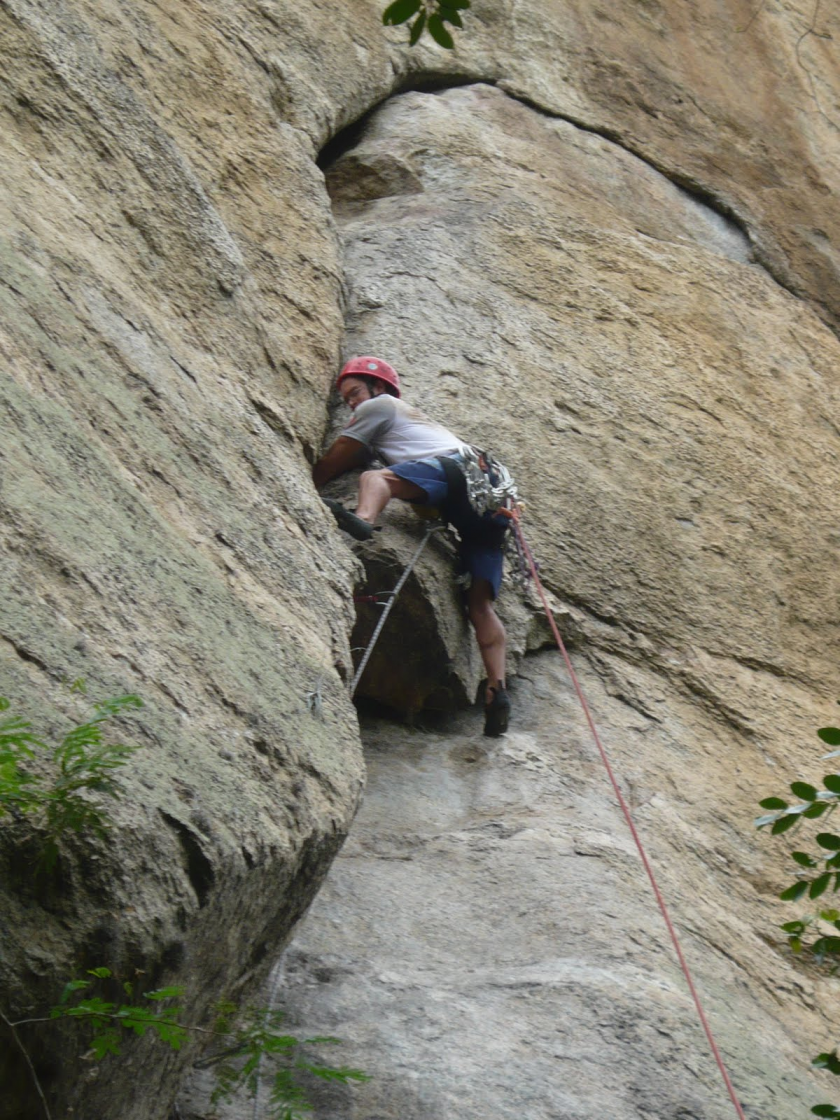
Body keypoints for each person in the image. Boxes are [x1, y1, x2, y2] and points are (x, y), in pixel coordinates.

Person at [312, 356, 512, 736]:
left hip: (458, 474)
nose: (352, 403)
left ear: (379, 388)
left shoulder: (382, 406)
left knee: (376, 478)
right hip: (493, 500)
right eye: (347, 398)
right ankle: (496, 690)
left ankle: (363, 521)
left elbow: (342, 454)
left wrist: (308, 482)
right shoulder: (423, 432)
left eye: (354, 392)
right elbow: (427, 503)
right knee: (479, 603)